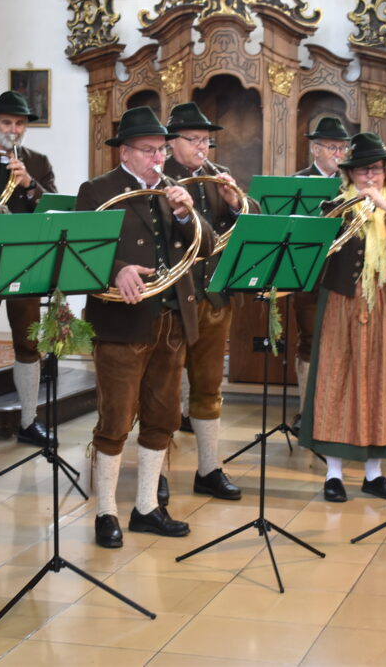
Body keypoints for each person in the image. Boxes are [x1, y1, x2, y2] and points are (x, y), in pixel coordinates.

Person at [75, 106, 214, 549]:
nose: (158, 158)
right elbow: (80, 251)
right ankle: (106, 511)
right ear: (125, 152)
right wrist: (116, 269)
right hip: (122, 322)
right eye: (148, 150)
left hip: (171, 321)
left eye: (161, 150)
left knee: (163, 417)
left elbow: (206, 246)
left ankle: (147, 507)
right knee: (116, 419)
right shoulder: (97, 190)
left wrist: (186, 215)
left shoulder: (174, 189)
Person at [299, 133, 386, 501]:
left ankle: (374, 474)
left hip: (385, 301)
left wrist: (383, 205)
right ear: (350, 174)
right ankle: (333, 474)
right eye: (363, 171)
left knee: (382, 382)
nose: (370, 176)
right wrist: (352, 209)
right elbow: (317, 247)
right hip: (342, 302)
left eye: (376, 170)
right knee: (337, 380)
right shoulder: (335, 204)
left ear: (385, 172)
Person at [163, 102, 246, 502]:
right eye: (193, 139)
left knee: (209, 387)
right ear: (171, 142)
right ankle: (157, 474)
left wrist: (235, 203)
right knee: (162, 392)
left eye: (206, 140)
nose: (202, 147)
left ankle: (209, 469)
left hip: (213, 296)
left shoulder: (217, 176)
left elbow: (250, 222)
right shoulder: (159, 178)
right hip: (173, 300)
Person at [0, 91, 56, 448]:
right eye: (6, 122)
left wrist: (29, 184)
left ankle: (29, 420)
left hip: (27, 260)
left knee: (28, 341)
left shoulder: (38, 161)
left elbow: (53, 209)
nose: (13, 129)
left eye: (19, 123)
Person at [291, 116, 351, 430]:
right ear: (315, 149)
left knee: (341, 342)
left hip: (343, 274)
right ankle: (306, 412)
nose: (339, 154)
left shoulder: (351, 183)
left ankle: (334, 412)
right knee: (309, 340)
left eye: (343, 148)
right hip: (309, 273)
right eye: (332, 147)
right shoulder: (298, 183)